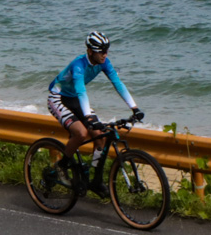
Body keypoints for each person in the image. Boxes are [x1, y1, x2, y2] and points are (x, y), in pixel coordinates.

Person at [47, 31, 144, 187]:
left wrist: (134, 108)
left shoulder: (104, 63)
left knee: (100, 136)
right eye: (101, 51)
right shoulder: (78, 65)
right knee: (81, 133)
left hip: (75, 100)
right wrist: (89, 117)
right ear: (90, 51)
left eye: (106, 50)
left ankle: (94, 180)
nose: (105, 55)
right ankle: (61, 166)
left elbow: (117, 83)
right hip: (58, 98)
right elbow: (81, 90)